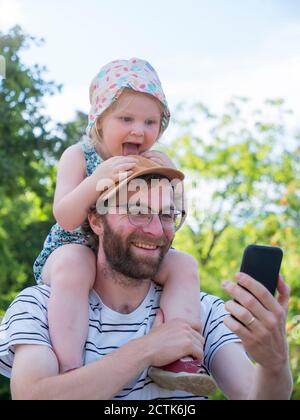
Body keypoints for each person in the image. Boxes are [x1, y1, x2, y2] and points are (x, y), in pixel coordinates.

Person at [0, 157, 292, 400]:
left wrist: (274, 364)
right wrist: (148, 349)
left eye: (167, 215)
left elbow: (253, 395)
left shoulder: (203, 311)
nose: (156, 230)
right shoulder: (39, 306)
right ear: (96, 220)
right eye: (138, 212)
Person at [31, 58, 208, 391]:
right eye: (126, 118)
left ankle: (179, 354)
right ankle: (69, 367)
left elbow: (174, 221)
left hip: (131, 250)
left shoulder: (154, 161)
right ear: (99, 121)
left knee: (184, 264)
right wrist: (96, 179)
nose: (139, 130)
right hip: (74, 247)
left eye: (150, 122)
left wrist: (175, 184)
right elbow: (66, 216)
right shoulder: (80, 156)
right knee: (75, 265)